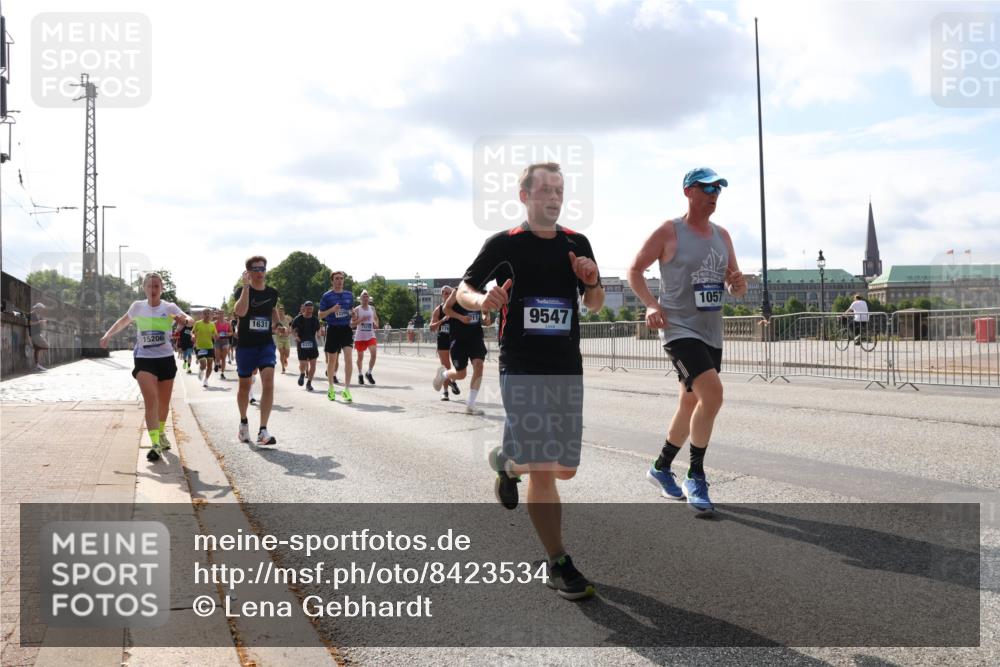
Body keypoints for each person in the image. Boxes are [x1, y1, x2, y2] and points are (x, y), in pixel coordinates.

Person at [456, 161, 605, 600]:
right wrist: (484, 298)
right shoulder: (505, 244)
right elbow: (464, 288)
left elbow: (593, 303)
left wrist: (592, 281)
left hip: (565, 366)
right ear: (525, 196)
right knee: (544, 467)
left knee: (565, 469)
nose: (554, 198)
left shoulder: (577, 243)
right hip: (520, 365)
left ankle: (506, 462)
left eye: (560, 190)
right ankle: (558, 561)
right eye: (545, 191)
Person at [627, 167, 747, 516]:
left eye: (718, 189)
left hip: (711, 330)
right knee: (713, 394)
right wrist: (651, 304)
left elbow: (733, 284)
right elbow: (634, 269)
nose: (714, 194)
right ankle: (696, 475)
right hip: (678, 328)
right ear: (688, 192)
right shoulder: (669, 231)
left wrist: (737, 286)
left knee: (690, 403)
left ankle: (661, 467)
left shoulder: (722, 236)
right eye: (707, 187)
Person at [100, 273, 193, 461]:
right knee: (151, 401)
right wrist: (108, 334)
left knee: (164, 403)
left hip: (166, 359)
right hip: (144, 359)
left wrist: (187, 321)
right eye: (150, 286)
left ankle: (161, 432)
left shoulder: (169, 307)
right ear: (144, 288)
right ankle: (155, 444)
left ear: (162, 289)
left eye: (157, 286)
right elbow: (123, 321)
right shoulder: (137, 306)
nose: (153, 290)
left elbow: (188, 318)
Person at [233, 255, 281, 446]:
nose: (260, 272)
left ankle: (263, 430)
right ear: (249, 272)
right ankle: (243, 422)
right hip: (246, 345)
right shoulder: (242, 291)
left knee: (268, 381)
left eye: (263, 268)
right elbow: (241, 312)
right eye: (256, 269)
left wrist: (278, 323)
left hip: (265, 344)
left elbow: (273, 309)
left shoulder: (272, 292)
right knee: (244, 386)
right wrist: (246, 287)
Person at [433, 290, 491, 414]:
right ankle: (444, 375)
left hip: (475, 338)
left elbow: (485, 312)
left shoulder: (482, 293)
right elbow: (446, 309)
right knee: (461, 374)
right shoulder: (457, 292)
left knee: (479, 365)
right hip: (459, 339)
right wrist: (460, 317)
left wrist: (486, 318)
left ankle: (470, 404)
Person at [318, 271, 355, 403]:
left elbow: (351, 311)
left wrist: (353, 313)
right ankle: (331, 388)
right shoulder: (327, 296)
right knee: (332, 360)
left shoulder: (349, 295)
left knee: (348, 358)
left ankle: (346, 389)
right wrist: (331, 310)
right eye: (337, 279)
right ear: (332, 281)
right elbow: (320, 315)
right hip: (333, 329)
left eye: (341, 278)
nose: (339, 281)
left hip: (346, 329)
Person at [429, 286, 461, 401]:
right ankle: (445, 392)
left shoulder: (457, 308)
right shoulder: (438, 309)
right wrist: (443, 320)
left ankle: (453, 382)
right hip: (443, 340)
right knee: (445, 367)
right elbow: (431, 327)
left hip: (455, 339)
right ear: (442, 295)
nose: (447, 294)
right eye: (444, 293)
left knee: (458, 366)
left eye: (449, 293)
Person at [291, 300, 322, 391]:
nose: (309, 310)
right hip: (302, 343)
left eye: (311, 309)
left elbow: (318, 329)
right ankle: (302, 373)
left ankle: (309, 383)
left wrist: (319, 334)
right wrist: (296, 336)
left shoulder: (315, 319)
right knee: (303, 364)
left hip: (312, 343)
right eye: (308, 308)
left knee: (313, 364)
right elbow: (292, 328)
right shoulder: (298, 318)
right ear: (304, 308)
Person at [352, 290, 379, 385]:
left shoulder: (372, 308)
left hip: (371, 335)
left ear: (369, 298)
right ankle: (360, 374)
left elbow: (375, 318)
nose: (365, 297)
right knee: (360, 357)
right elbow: (352, 324)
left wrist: (376, 324)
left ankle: (369, 373)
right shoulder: (357, 309)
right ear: (360, 298)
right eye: (363, 296)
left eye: (367, 296)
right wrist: (361, 320)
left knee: (374, 354)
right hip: (360, 336)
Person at [192, 308, 217, 388]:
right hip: (200, 347)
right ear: (202, 315)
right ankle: (201, 370)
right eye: (205, 313)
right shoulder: (197, 323)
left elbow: (215, 334)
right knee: (203, 364)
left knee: (210, 365)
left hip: (209, 346)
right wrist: (192, 336)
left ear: (211, 315)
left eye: (208, 313)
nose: (207, 315)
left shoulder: (212, 324)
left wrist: (216, 336)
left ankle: (206, 380)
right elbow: (192, 333)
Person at [28, 303, 50, 371]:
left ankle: (37, 365)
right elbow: (30, 323)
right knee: (46, 346)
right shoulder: (32, 314)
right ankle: (37, 365)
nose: (41, 311)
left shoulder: (37, 315)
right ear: (37, 308)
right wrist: (40, 321)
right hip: (35, 334)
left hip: (37, 334)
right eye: (41, 309)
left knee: (37, 349)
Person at [214, 310, 233, 379]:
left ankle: (222, 373)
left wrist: (228, 333)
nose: (221, 315)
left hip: (225, 341)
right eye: (219, 314)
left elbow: (231, 332)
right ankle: (217, 364)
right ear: (217, 315)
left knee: (223, 358)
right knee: (218, 357)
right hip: (217, 341)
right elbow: (212, 333)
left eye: (222, 313)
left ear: (224, 314)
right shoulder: (215, 323)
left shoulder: (227, 323)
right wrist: (216, 335)